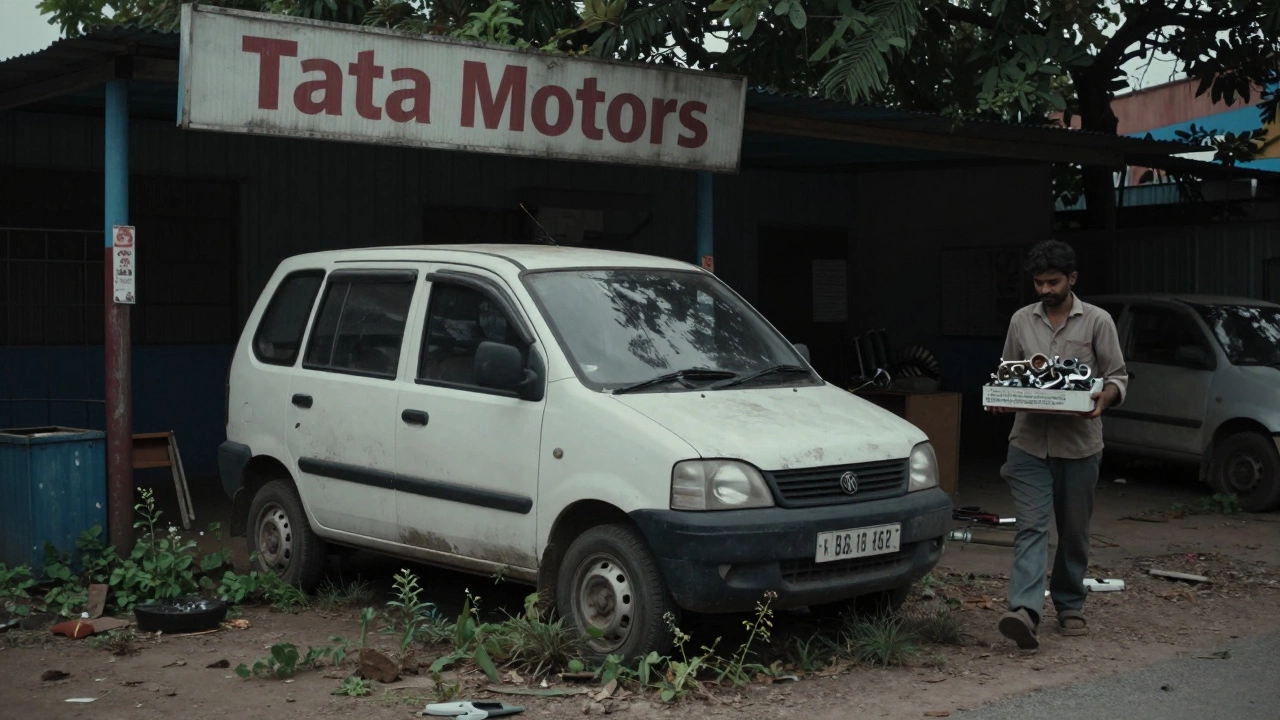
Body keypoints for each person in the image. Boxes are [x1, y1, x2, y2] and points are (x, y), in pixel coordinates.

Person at [992, 239, 1128, 651]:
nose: (1045, 290)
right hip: (1029, 444)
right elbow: (1008, 373)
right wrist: (1002, 395)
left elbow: (1118, 376)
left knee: (1073, 532)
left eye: (1052, 282)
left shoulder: (1098, 322)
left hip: (1080, 445)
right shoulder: (1021, 321)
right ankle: (1025, 612)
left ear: (1072, 278)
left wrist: (1104, 399)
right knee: (1031, 528)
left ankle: (1069, 604)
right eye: (1038, 283)